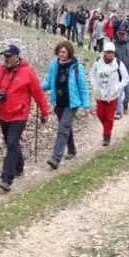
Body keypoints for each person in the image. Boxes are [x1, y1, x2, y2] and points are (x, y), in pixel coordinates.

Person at [0, 44, 50, 192]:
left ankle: (6, 179)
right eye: (4, 56)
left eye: (9, 56)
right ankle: (19, 167)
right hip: (3, 114)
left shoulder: (28, 73)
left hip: (19, 114)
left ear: (17, 56)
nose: (6, 59)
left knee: (12, 143)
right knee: (10, 142)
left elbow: (38, 94)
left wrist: (45, 112)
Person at [42, 41, 91, 169]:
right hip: (58, 102)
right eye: (59, 51)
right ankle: (72, 150)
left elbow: (82, 87)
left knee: (63, 129)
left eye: (63, 52)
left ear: (69, 52)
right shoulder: (54, 65)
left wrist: (86, 106)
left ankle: (55, 158)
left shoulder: (76, 67)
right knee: (66, 128)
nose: (61, 54)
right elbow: (49, 81)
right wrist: (37, 88)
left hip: (71, 103)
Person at [89, 42, 129, 146]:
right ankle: (106, 128)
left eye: (112, 52)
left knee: (110, 117)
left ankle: (107, 136)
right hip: (100, 94)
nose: (110, 54)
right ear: (104, 53)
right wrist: (94, 86)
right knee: (100, 114)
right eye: (108, 52)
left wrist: (118, 87)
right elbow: (92, 74)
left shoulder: (118, 63)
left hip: (112, 95)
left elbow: (126, 78)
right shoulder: (98, 62)